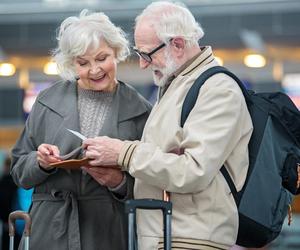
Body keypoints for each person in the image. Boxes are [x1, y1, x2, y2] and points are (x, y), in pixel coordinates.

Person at [82, 1, 253, 250]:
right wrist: (119, 178)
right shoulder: (177, 86)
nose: (142, 64)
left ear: (178, 44)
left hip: (190, 239)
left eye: (147, 54)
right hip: (168, 235)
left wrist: (123, 153)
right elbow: (165, 168)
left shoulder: (218, 89)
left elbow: (192, 171)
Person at [10, 9, 151, 250]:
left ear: (117, 52)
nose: (95, 69)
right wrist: (41, 162)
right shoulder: (46, 101)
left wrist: (119, 182)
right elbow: (19, 170)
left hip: (106, 230)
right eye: (83, 63)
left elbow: (152, 182)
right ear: (71, 63)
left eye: (102, 57)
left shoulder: (140, 110)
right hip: (49, 229)